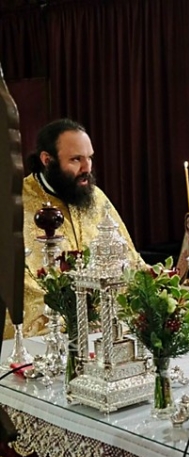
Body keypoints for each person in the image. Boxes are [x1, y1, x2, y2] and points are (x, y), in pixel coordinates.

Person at [3, 118, 142, 339]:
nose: (87, 168)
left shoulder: (96, 198)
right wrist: (77, 317)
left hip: (108, 330)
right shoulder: (16, 205)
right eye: (76, 159)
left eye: (89, 158)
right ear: (47, 160)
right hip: (49, 336)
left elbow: (130, 262)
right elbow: (24, 287)